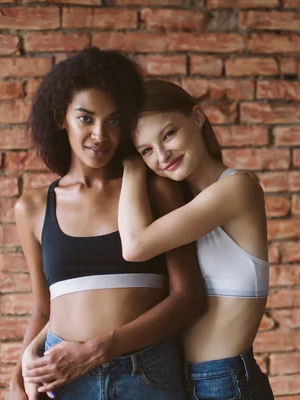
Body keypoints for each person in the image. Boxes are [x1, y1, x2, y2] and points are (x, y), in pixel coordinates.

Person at [10, 48, 205, 400]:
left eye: (114, 120)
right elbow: (43, 309)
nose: (100, 134)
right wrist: (16, 382)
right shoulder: (33, 207)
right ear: (61, 118)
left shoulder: (154, 189)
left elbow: (189, 297)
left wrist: (98, 350)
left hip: (145, 376)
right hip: (62, 381)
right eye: (86, 118)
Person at [117, 79, 274, 399]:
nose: (162, 154)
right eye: (146, 149)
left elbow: (134, 246)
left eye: (169, 134)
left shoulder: (236, 188)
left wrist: (132, 165)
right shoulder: (182, 204)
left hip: (224, 382)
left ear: (198, 118)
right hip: (185, 380)